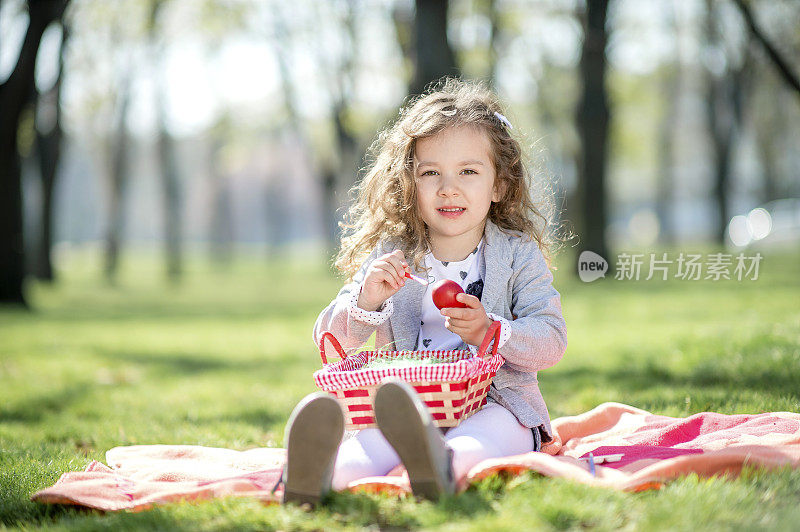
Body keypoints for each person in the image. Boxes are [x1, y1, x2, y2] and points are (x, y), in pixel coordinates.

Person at [281, 77, 567, 506]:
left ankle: (440, 464)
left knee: (482, 439)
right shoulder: (393, 254)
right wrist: (366, 302)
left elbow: (551, 339)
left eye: (468, 172)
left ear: (499, 185)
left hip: (498, 404)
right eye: (430, 173)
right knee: (370, 445)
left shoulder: (517, 256)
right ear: (409, 184)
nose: (448, 187)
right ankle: (318, 475)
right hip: (408, 408)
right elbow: (332, 340)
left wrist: (493, 331)